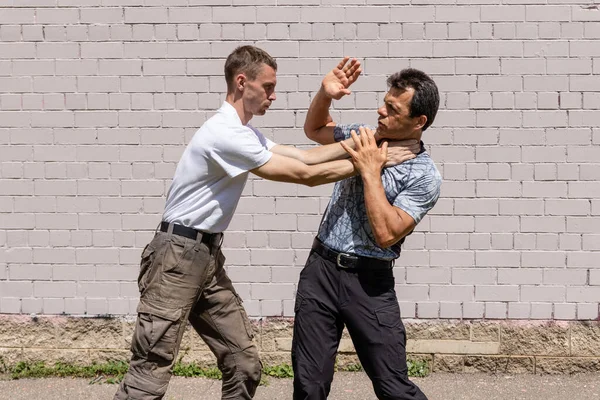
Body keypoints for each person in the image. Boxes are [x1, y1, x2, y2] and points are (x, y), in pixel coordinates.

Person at [114, 46, 418, 400]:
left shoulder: (244, 132)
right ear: (243, 83)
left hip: (206, 257)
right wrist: (372, 163)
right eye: (269, 87)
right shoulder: (224, 133)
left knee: (245, 366)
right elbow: (304, 174)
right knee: (149, 372)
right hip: (176, 258)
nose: (273, 96)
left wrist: (374, 142)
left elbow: (305, 155)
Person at [291, 58, 443, 400]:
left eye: (392, 108)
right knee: (308, 385)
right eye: (384, 101)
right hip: (322, 271)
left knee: (393, 387)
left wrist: (371, 170)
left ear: (419, 121)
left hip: (370, 284)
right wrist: (324, 94)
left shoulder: (424, 176)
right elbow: (315, 130)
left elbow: (387, 234)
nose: (380, 111)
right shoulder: (366, 136)